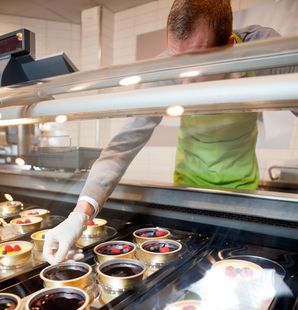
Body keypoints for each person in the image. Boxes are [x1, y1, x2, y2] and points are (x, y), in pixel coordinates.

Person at [43, 0, 297, 265]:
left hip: (241, 190)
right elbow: (122, 146)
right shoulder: (164, 68)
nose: (184, 80)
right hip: (186, 187)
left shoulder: (262, 50)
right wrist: (79, 216)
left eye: (197, 66)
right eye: (179, 65)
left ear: (229, 49)